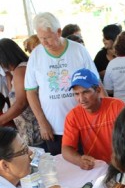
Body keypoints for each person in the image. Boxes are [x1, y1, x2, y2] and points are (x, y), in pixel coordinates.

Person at [25, 12, 100, 156]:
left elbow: (96, 84)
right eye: (41, 39)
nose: (45, 43)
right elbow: (31, 92)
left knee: (89, 163)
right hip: (54, 128)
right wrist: (42, 123)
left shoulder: (78, 50)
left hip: (84, 124)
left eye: (47, 38)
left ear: (58, 32)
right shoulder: (36, 55)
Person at [62, 68, 125, 169]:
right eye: (76, 94)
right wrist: (79, 160)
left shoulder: (117, 106)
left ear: (98, 90)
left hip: (122, 163)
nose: (81, 99)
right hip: (96, 167)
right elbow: (66, 149)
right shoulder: (73, 116)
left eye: (86, 92)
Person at [0, 38, 43, 147]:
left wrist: (2, 120)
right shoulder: (17, 71)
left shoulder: (21, 70)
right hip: (29, 130)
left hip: (34, 130)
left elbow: (21, 103)